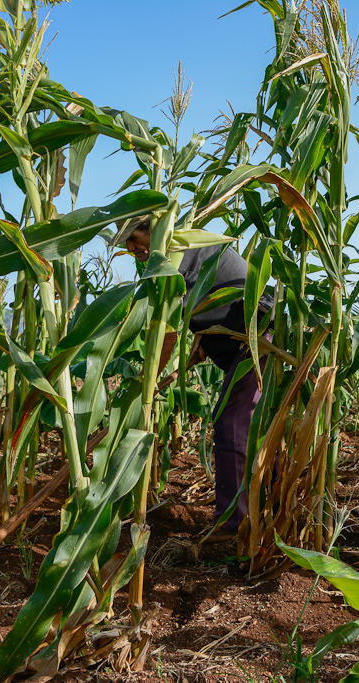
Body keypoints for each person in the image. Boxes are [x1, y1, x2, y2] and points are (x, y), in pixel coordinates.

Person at [114, 217, 272, 537]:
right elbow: (207, 306)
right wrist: (202, 346)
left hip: (261, 341)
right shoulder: (182, 254)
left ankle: (233, 530)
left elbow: (167, 331)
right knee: (260, 431)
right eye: (125, 242)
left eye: (134, 236)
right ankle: (269, 512)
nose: (130, 248)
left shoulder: (177, 256)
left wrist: (146, 383)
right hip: (250, 343)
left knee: (232, 425)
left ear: (155, 227)